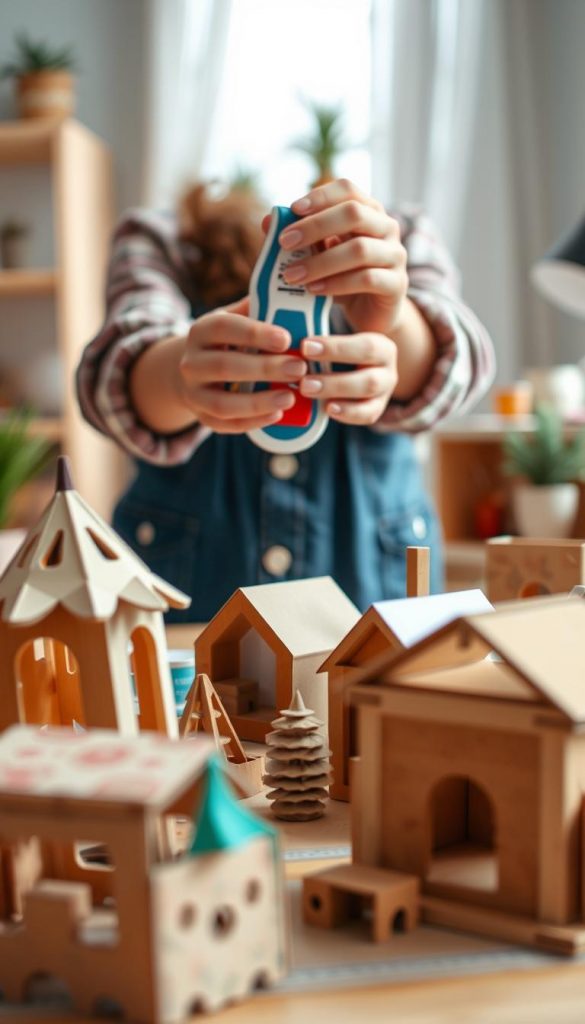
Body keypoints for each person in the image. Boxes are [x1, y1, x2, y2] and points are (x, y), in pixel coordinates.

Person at [77, 178, 494, 622]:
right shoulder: (161, 237)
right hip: (190, 612)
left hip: (372, 593)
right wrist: (181, 379)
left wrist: (395, 325)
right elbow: (109, 378)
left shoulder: (398, 232)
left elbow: (463, 366)